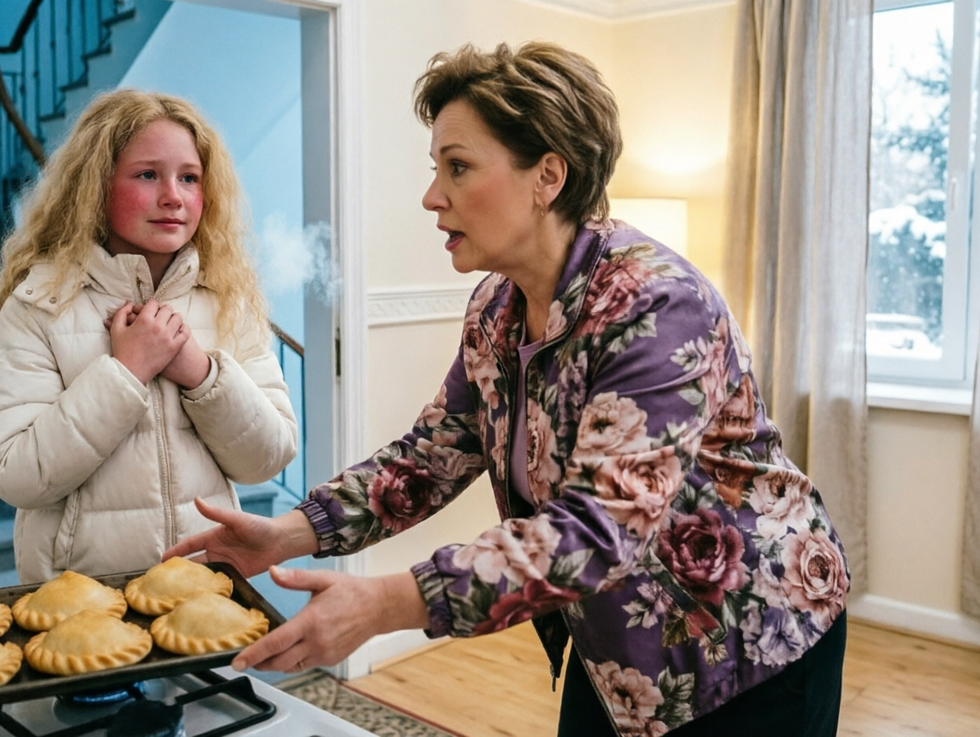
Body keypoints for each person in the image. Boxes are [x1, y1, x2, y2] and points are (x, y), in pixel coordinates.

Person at [164, 42, 850, 737]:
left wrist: (385, 603)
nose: (433, 196)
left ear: (547, 175)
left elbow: (600, 529)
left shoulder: (658, 305)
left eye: (458, 166)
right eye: (436, 169)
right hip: (620, 641)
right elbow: (430, 457)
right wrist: (288, 532)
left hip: (753, 641)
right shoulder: (496, 307)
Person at [0, 89, 298, 585]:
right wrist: (126, 373)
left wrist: (201, 373)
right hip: (79, 597)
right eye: (148, 175)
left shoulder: (228, 300)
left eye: (189, 178)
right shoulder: (40, 305)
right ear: (95, 186)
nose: (173, 196)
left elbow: (267, 458)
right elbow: (15, 474)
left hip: (202, 585)